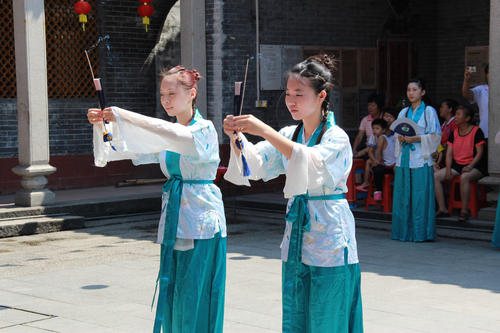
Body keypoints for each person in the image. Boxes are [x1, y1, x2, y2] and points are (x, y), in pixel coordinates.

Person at [224, 55, 363, 332]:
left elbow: (310, 162)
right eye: (288, 94)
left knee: (327, 309)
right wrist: (237, 138)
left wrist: (264, 130)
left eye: (299, 94)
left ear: (321, 95)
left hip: (329, 233)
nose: (292, 101)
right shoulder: (290, 132)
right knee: (296, 307)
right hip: (298, 232)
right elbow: (258, 163)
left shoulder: (336, 137)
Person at [87, 66, 226, 333]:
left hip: (200, 219)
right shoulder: (169, 131)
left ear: (192, 93)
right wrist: (106, 125)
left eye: (172, 93)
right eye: (163, 94)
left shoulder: (203, 129)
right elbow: (133, 146)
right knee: (174, 287)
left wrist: (125, 117)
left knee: (194, 288)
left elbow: (170, 136)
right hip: (177, 214)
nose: (166, 100)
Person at [392, 77, 441, 242]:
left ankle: (421, 232)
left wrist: (417, 139)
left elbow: (435, 136)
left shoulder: (429, 111)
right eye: (408, 90)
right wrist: (399, 138)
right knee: (402, 194)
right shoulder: (403, 112)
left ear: (423, 92)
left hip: (420, 158)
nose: (411, 93)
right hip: (404, 158)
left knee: (420, 196)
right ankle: (402, 232)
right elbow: (396, 133)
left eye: (414, 89)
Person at [434, 105, 486, 221]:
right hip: (457, 165)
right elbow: (449, 153)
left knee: (465, 177)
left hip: (475, 165)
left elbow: (480, 153)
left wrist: (470, 166)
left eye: (458, 114)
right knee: (436, 176)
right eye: (455, 114)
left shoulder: (476, 131)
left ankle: (464, 211)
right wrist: (448, 168)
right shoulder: (455, 132)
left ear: (467, 118)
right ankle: (443, 209)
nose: (455, 117)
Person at [371, 118, 396, 201]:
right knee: (377, 169)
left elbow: (378, 151)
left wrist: (378, 161)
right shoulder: (379, 137)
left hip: (390, 165)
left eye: (377, 128)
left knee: (377, 169)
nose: (374, 130)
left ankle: (378, 191)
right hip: (391, 165)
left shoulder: (382, 137)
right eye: (373, 128)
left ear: (383, 130)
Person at [352, 93, 384, 158]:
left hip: (382, 148)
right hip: (368, 147)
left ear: (379, 107)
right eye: (369, 105)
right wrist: (354, 150)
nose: (370, 108)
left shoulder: (384, 118)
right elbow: (359, 136)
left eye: (373, 105)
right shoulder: (365, 120)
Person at [462, 65, 489, 138]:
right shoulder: (482, 89)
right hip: (486, 132)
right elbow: (466, 94)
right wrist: (466, 80)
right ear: (486, 75)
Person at [434, 99, 458, 167]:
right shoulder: (443, 125)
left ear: (450, 109)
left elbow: (455, 141)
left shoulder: (454, 123)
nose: (440, 109)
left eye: (442, 107)